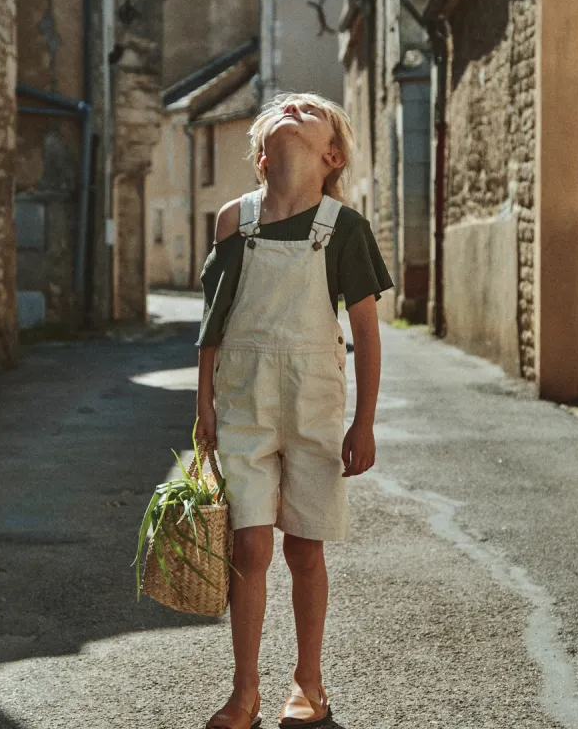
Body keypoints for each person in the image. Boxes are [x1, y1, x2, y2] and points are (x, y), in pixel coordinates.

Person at [196, 92, 393, 729]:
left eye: (311, 111)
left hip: (313, 406)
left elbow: (365, 330)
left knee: (305, 551)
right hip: (244, 404)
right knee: (249, 547)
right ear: (261, 156)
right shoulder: (234, 221)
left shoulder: (344, 229)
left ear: (331, 156)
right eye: (284, 108)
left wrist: (362, 421)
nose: (294, 107)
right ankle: (244, 691)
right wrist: (203, 408)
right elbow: (213, 325)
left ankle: (309, 683)